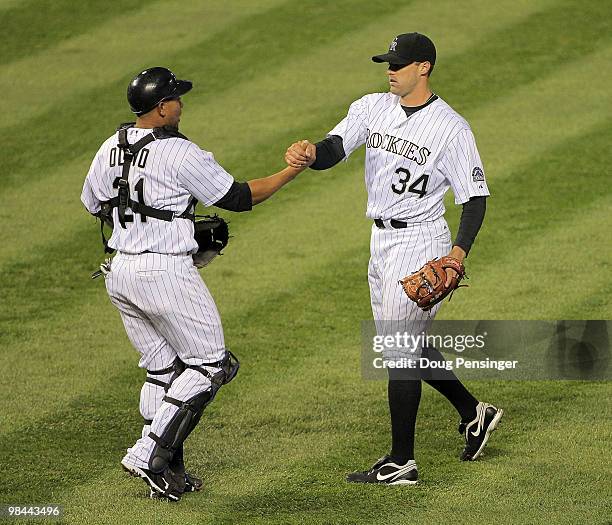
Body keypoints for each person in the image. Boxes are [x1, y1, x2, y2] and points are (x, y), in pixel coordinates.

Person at [285, 33, 503, 485]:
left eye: (399, 64)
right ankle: (473, 412)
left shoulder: (451, 128)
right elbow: (333, 150)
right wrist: (309, 154)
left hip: (422, 241)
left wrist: (457, 253)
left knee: (400, 352)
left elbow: (475, 198)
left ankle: (401, 461)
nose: (390, 70)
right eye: (388, 62)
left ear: (423, 67)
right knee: (402, 344)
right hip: (380, 244)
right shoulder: (371, 107)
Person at [81, 67, 306, 501]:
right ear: (162, 108)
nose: (181, 105)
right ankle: (148, 454)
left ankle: (170, 473)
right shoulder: (179, 153)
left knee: (165, 370)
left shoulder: (109, 146)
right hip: (163, 273)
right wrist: (289, 173)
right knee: (211, 365)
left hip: (120, 272)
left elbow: (94, 203)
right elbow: (240, 197)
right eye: (176, 99)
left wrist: (145, 219)